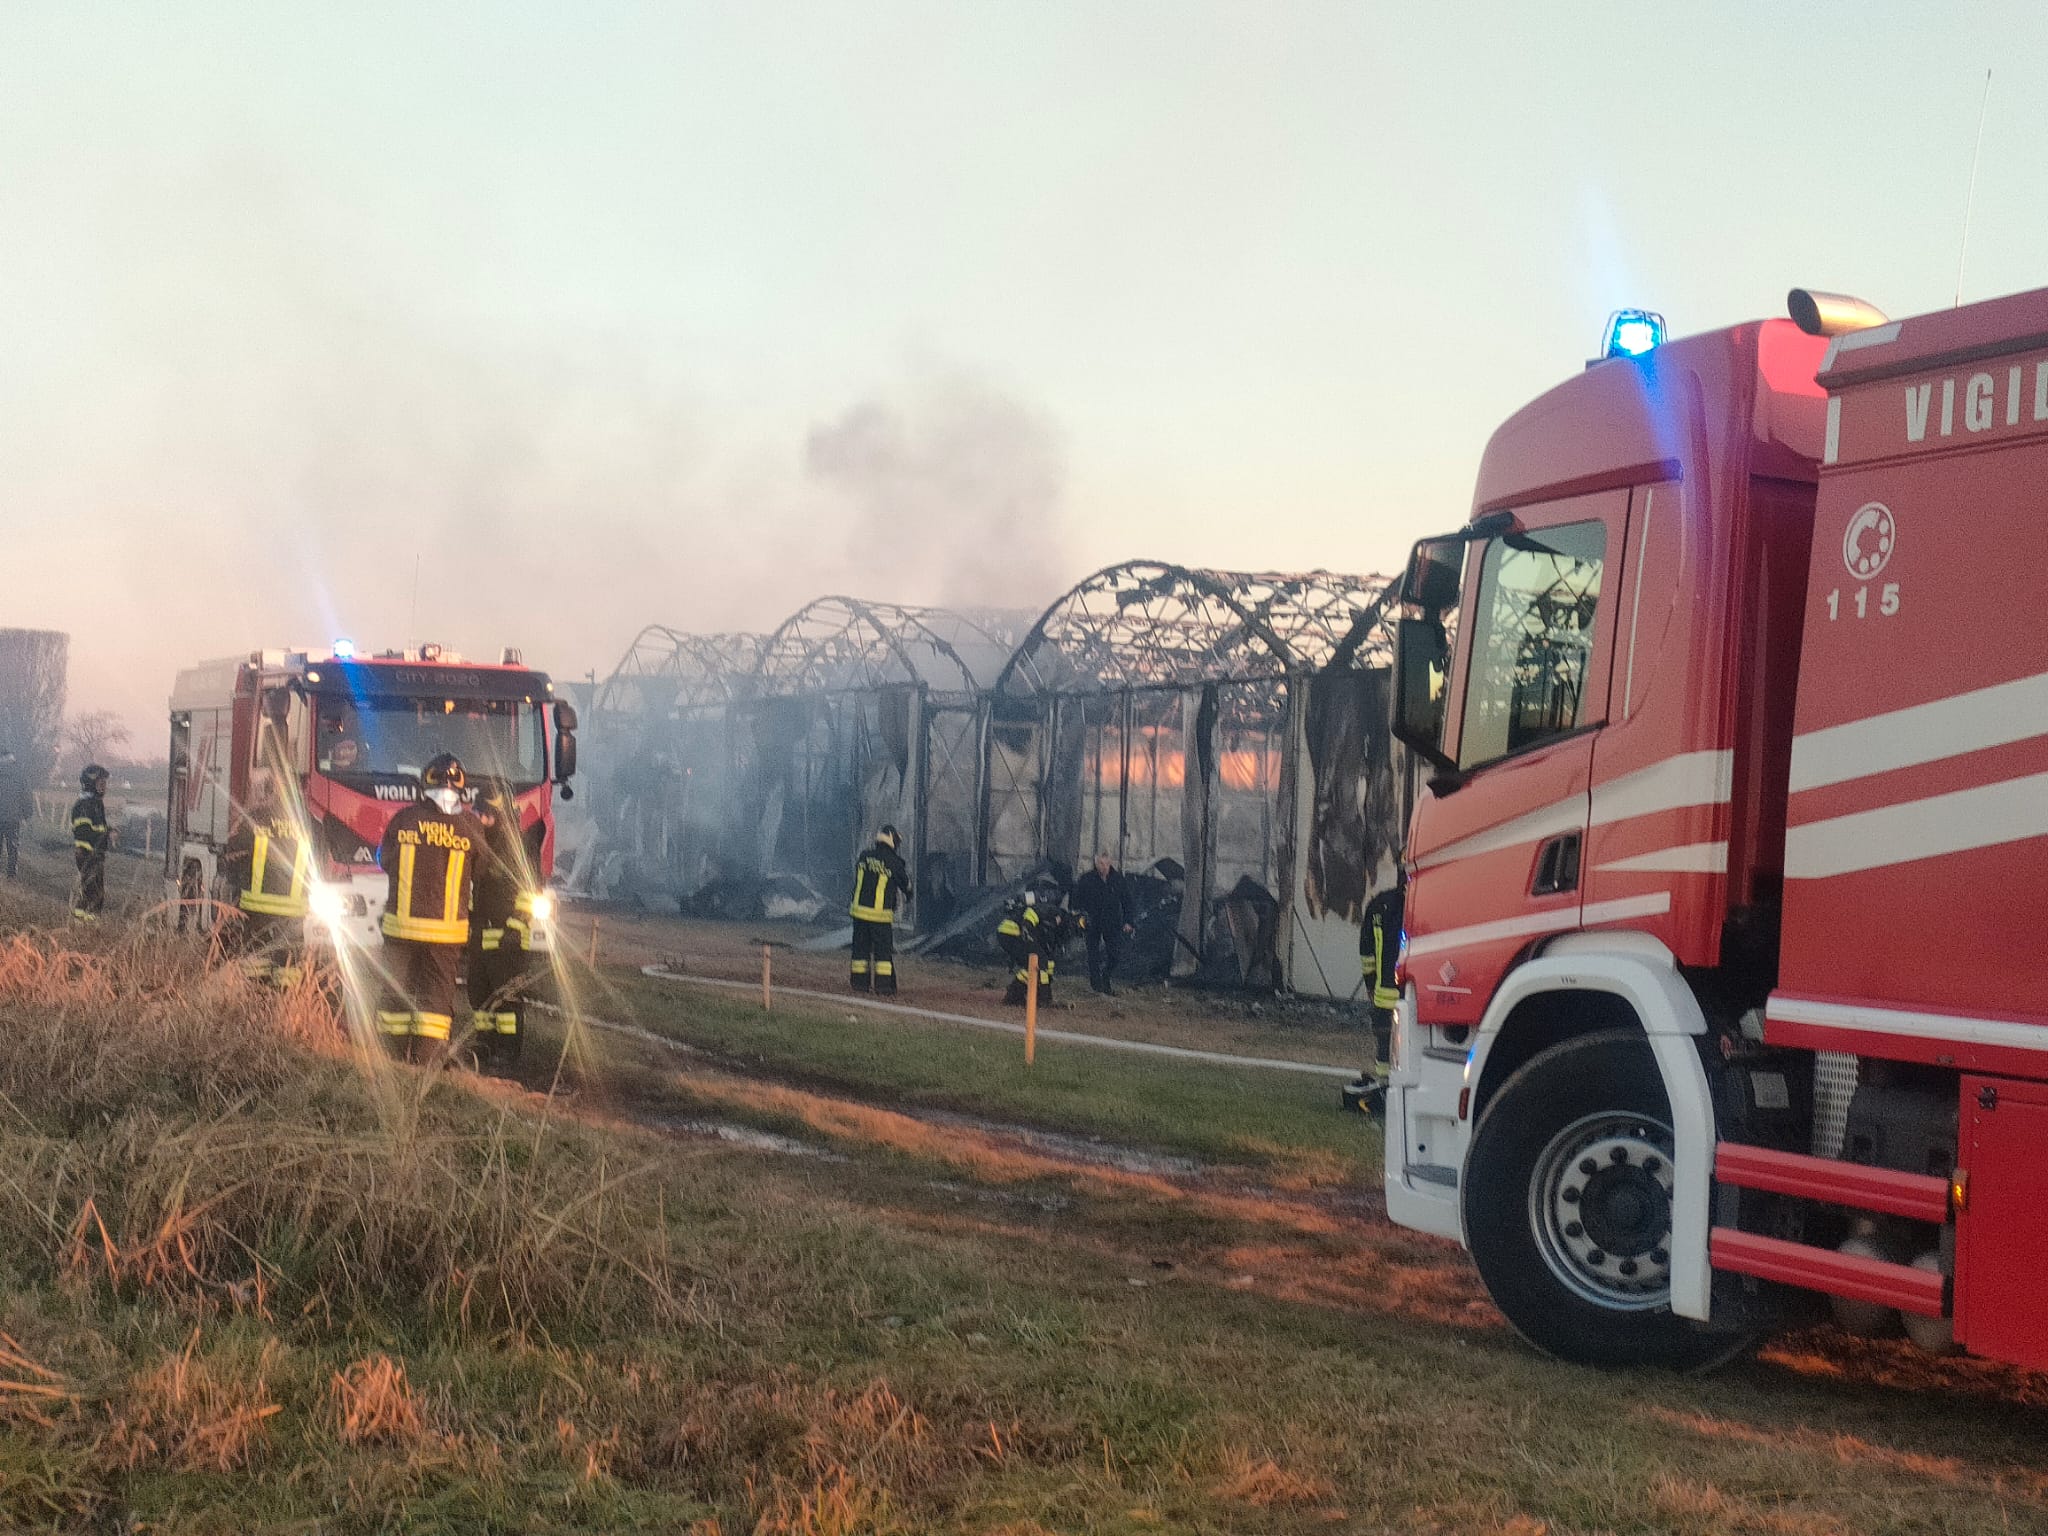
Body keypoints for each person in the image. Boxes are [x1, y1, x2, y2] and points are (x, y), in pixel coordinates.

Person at [375, 753, 484, 1061]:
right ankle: (426, 1062)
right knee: (435, 1000)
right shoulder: (470, 827)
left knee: (396, 992)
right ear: (461, 788)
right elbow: (482, 870)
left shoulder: (404, 820)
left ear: (425, 783)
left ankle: (391, 1059)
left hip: (401, 930)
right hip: (446, 936)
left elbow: (384, 860)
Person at [466, 777, 536, 1072]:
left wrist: (515, 928)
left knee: (506, 1000)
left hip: (506, 940)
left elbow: (530, 894)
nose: (482, 819)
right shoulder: (482, 844)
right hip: (481, 936)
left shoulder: (519, 848)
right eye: (480, 813)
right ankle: (485, 1045)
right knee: (479, 995)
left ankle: (507, 1054)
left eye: (488, 814)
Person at [219, 768, 311, 987]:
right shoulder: (309, 822)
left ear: (273, 790)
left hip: (259, 909)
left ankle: (256, 1002)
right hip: (294, 911)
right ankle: (284, 1009)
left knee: (256, 962)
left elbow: (232, 845)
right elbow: (323, 859)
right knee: (288, 967)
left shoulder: (257, 817)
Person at [1346, 875, 1406, 1113]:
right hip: (1410, 997)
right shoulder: (1418, 906)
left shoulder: (1379, 905)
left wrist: (1370, 982)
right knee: (1404, 1049)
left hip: (1382, 993)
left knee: (1384, 1048)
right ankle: (1395, 1094)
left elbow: (1366, 949)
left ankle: (1384, 1093)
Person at [848, 825, 911, 995]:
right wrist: (909, 894)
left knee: (860, 951)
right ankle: (884, 987)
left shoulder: (864, 857)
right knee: (883, 954)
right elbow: (906, 885)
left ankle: (859, 984)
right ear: (892, 840)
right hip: (879, 917)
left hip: (859, 914)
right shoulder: (894, 863)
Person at [998, 877, 1071, 1006]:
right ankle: (1026, 996)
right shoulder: (1053, 909)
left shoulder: (1054, 916)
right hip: (1012, 932)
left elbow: (1049, 956)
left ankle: (1017, 995)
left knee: (1038, 963)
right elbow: (1032, 913)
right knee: (1037, 962)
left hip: (1012, 932)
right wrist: (1027, 928)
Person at [1071, 850, 1134, 996]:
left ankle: (1106, 977)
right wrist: (1078, 918)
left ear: (1111, 862)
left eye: (1106, 863)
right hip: (1091, 922)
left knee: (1115, 954)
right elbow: (1076, 901)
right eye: (1100, 863)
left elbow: (1127, 901)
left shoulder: (1118, 879)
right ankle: (1096, 985)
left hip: (1112, 923)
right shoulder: (1086, 879)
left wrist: (1128, 921)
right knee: (1093, 955)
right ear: (1095, 862)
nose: (1104, 866)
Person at [69, 764, 113, 923]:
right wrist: (105, 834)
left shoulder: (95, 803)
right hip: (87, 854)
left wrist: (109, 832)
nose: (104, 787)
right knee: (91, 892)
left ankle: (88, 922)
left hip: (96, 854)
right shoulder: (85, 805)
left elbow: (98, 828)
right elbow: (83, 832)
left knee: (96, 892)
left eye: (105, 783)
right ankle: (83, 923)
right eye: (101, 783)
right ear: (90, 784)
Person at [0, 749, 30, 880]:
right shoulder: (20, 774)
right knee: (12, 845)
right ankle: (11, 873)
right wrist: (27, 814)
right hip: (13, 818)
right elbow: (26, 796)